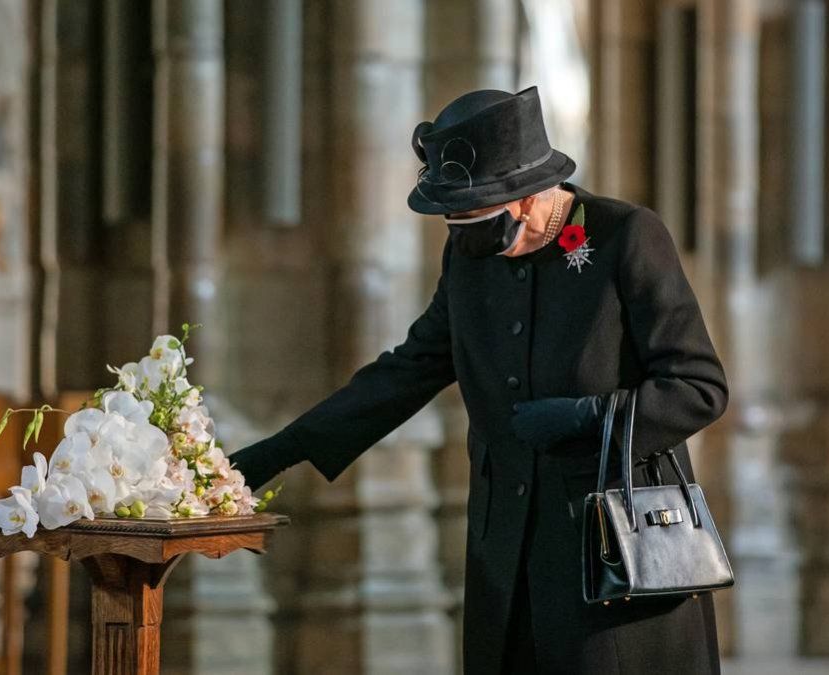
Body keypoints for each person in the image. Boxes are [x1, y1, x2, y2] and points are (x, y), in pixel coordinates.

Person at [230, 86, 729, 674]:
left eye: (478, 221)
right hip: (507, 555)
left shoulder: (627, 236)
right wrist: (278, 451)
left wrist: (589, 418)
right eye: (454, 223)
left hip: (613, 551)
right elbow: (409, 369)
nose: (467, 240)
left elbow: (700, 387)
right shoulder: (467, 258)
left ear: (525, 198)